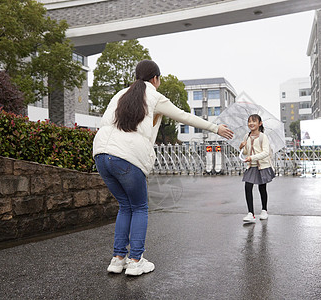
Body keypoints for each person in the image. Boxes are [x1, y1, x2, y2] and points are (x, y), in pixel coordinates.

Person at [93, 60, 234, 276]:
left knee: (124, 206)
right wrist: (216, 128)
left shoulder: (121, 94)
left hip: (101, 153)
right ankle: (135, 260)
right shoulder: (154, 96)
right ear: (155, 78)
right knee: (139, 207)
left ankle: (118, 258)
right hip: (127, 156)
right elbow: (184, 116)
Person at [239, 114, 275, 223]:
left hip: (262, 166)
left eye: (254, 121)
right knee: (247, 187)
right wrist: (241, 147)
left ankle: (264, 210)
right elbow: (245, 152)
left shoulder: (263, 136)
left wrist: (252, 157)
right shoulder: (247, 136)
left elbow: (265, 152)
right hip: (251, 166)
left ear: (260, 123)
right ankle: (250, 213)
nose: (251, 123)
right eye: (249, 121)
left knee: (262, 188)